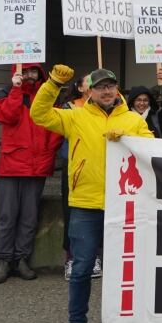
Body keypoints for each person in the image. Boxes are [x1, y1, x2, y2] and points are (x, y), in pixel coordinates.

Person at [30, 66, 154, 323]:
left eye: (111, 86)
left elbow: (151, 147)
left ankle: (122, 321)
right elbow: (39, 114)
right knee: (82, 268)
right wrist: (53, 83)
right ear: (89, 91)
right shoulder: (75, 116)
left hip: (122, 204)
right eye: (100, 87)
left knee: (121, 269)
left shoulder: (133, 120)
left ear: (117, 89)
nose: (107, 91)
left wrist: (126, 137)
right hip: (85, 205)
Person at [0, 63, 63, 284]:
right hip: (12, 165)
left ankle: (21, 259)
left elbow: (56, 128)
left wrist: (47, 153)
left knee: (29, 217)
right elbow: (6, 117)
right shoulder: (8, 93)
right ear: (17, 73)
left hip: (36, 165)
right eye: (27, 71)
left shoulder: (47, 96)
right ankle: (4, 260)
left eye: (35, 72)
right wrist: (15, 90)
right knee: (7, 216)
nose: (31, 75)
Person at [57, 74, 103, 281]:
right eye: (91, 81)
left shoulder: (106, 107)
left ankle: (96, 257)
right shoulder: (70, 108)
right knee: (73, 217)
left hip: (100, 170)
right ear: (81, 87)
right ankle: (72, 259)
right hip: (75, 168)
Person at [125, 67, 162, 138]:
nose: (142, 103)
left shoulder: (156, 117)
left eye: (145, 100)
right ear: (133, 101)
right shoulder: (125, 117)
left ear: (149, 102)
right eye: (138, 100)